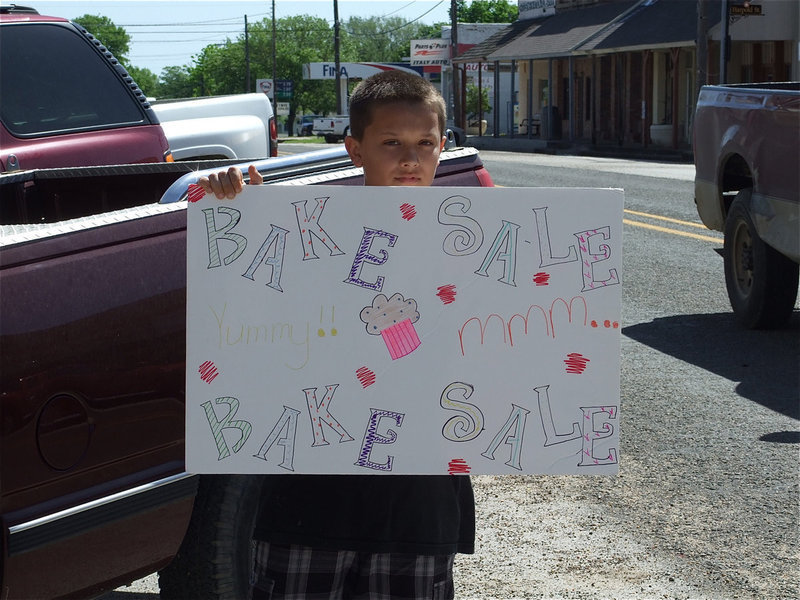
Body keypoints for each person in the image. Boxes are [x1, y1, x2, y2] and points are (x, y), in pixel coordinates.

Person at [198, 71, 475, 600]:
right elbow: (246, 327)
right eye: (391, 142)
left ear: (443, 147)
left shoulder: (470, 249)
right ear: (354, 149)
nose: (410, 159)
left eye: (425, 144)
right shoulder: (303, 237)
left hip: (418, 509)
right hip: (305, 503)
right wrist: (237, 216)